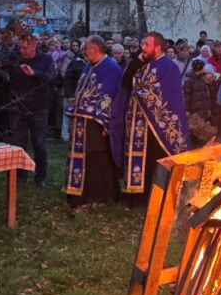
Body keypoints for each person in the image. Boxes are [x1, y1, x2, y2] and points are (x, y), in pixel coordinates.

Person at [109, 32, 190, 197]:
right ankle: (135, 193)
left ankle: (156, 193)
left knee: (155, 157)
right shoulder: (141, 64)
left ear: (157, 47)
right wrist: (136, 62)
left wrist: (140, 92)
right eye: (143, 44)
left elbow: (168, 94)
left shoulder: (168, 66)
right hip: (137, 122)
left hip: (157, 124)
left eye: (147, 45)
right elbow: (125, 83)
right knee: (140, 159)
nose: (143, 48)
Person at [65, 36, 122, 206]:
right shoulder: (88, 66)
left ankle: (100, 195)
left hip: (96, 122)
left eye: (86, 49)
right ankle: (79, 192)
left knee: (97, 157)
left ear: (95, 49)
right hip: (82, 120)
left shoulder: (111, 67)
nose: (83, 51)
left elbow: (109, 96)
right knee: (83, 156)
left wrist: (104, 121)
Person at [4, 34, 57, 186]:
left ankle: (40, 177)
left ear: (34, 46)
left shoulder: (45, 59)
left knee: (39, 144)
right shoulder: (15, 58)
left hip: (39, 108)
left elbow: (52, 78)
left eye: (25, 48)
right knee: (19, 144)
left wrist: (35, 74)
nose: (22, 50)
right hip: (18, 108)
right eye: (20, 47)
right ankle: (21, 176)